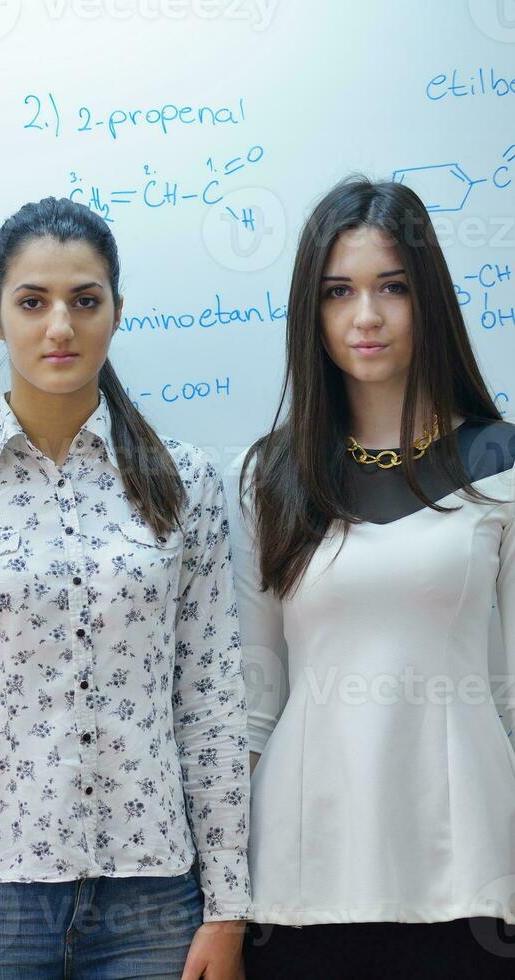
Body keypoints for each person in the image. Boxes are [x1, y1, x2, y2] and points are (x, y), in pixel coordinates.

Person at [0, 197, 251, 979]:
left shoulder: (185, 483)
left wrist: (226, 905)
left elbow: (212, 698)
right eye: (33, 302)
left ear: (117, 311)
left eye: (85, 301)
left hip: (154, 892)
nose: (60, 327)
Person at [229, 177, 515, 976]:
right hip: (299, 877)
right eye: (339, 292)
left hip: (471, 872)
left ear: (428, 300)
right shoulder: (271, 475)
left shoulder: (502, 462)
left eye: (392, 287)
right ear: (310, 312)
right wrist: (223, 895)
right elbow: (256, 705)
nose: (366, 316)